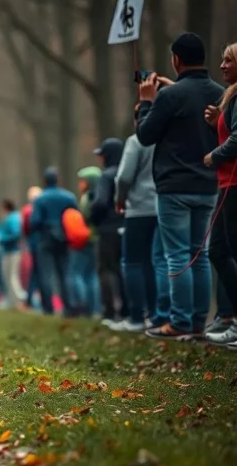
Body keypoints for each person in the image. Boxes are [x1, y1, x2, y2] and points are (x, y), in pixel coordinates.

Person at [137, 32, 223, 340]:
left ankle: (180, 321)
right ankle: (200, 320)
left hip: (174, 186)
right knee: (199, 254)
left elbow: (146, 136)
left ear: (176, 59)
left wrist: (147, 103)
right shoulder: (220, 92)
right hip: (208, 184)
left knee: (177, 256)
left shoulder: (169, 97)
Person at [113, 107, 168, 332]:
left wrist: (120, 199)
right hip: (163, 205)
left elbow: (124, 176)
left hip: (138, 209)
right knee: (157, 262)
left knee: (132, 262)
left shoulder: (136, 141)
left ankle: (136, 317)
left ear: (138, 121)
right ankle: (158, 314)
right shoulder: (166, 139)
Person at [203, 41, 237, 344]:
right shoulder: (231, 96)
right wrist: (218, 123)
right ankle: (231, 318)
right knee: (218, 251)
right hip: (227, 184)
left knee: (227, 251)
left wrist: (216, 154)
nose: (222, 66)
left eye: (228, 61)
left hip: (234, 184)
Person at [29, 166, 77, 316]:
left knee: (46, 273)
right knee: (65, 273)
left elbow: (34, 221)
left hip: (45, 239)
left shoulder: (40, 199)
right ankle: (68, 307)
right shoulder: (69, 197)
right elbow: (76, 217)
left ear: (44, 181)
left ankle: (48, 308)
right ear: (58, 180)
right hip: (64, 238)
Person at [90, 138, 128, 326]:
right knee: (126, 268)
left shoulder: (106, 176)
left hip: (107, 229)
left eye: (102, 155)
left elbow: (99, 203)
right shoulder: (128, 172)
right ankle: (129, 311)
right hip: (127, 225)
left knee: (106, 270)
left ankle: (110, 311)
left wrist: (94, 219)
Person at [72, 166, 102, 318]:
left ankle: (84, 305)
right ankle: (96, 308)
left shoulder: (87, 198)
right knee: (93, 275)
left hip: (86, 240)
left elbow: (84, 218)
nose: (80, 184)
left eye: (82, 181)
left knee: (79, 274)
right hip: (96, 239)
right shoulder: (101, 195)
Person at [0, 199, 25, 309]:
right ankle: (11, 301)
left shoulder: (13, 218)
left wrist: (1, 239)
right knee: (7, 277)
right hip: (7, 251)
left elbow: (15, 234)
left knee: (12, 277)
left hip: (12, 251)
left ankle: (19, 300)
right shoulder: (11, 217)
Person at [21, 186, 42, 309]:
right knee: (37, 272)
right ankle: (32, 300)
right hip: (39, 243)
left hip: (33, 244)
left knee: (35, 273)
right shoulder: (41, 207)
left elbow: (25, 228)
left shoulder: (28, 210)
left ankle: (30, 300)